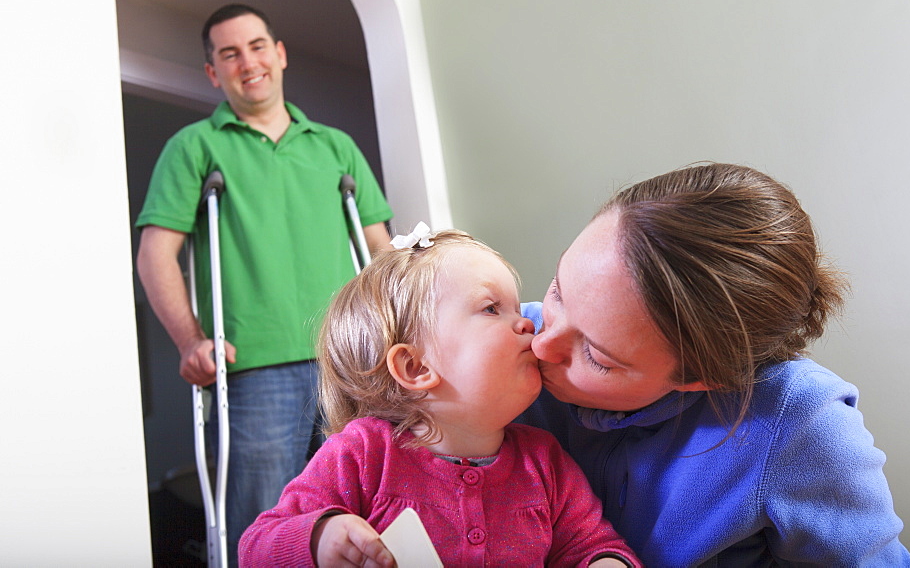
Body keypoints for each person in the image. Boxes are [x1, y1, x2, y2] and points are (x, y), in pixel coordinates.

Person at [517, 162, 910, 567]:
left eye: (598, 357)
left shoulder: (798, 425)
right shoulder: (498, 338)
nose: (541, 344)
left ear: (698, 378)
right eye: (558, 291)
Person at [135, 3, 393, 563]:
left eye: (256, 46)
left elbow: (380, 254)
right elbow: (156, 254)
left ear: (278, 54)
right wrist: (188, 341)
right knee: (261, 527)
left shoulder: (335, 147)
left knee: (362, 511)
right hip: (250, 370)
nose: (246, 62)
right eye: (229, 54)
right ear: (213, 72)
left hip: (348, 363)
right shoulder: (194, 147)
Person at [238, 227, 642, 568]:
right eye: (491, 308)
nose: (526, 322)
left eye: (515, 307)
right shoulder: (363, 454)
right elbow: (256, 546)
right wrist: (320, 538)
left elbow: (593, 546)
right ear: (415, 368)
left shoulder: (544, 460)